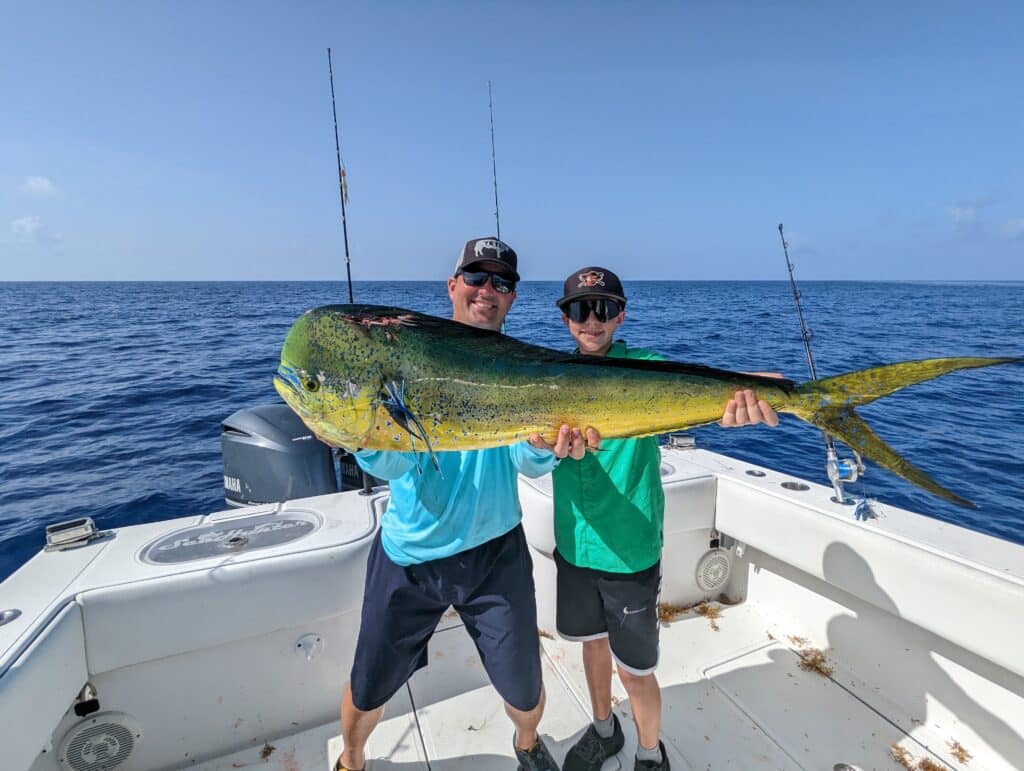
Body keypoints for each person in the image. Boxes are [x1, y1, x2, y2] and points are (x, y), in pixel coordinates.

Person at [334, 237, 592, 771]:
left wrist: (549, 449)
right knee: (367, 688)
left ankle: (526, 744)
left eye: (501, 282)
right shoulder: (411, 360)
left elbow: (528, 459)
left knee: (525, 692)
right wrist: (362, 436)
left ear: (512, 298)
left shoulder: (522, 369)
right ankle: (353, 758)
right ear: (453, 285)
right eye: (476, 277)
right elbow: (396, 465)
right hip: (412, 557)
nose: (487, 290)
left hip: (496, 553)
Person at [551, 266, 779, 771]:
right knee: (591, 648)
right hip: (573, 543)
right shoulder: (548, 380)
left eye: (604, 309)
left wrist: (742, 391)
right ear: (565, 319)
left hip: (629, 548)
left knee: (633, 671)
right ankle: (604, 730)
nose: (592, 320)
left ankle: (651, 755)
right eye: (580, 310)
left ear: (621, 315)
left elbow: (699, 391)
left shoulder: (649, 368)